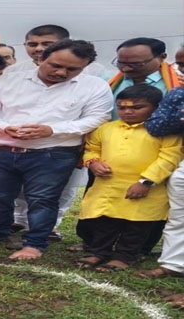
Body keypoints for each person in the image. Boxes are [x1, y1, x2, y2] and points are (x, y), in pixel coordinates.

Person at [0, 39, 114, 260]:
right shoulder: (8, 81)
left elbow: (97, 118)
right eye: (55, 65)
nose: (61, 72)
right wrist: (5, 127)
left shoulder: (94, 86)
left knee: (43, 199)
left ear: (85, 67)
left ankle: (35, 243)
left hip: (53, 153)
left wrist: (51, 130)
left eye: (72, 69)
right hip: (1, 150)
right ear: (41, 58)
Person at [73, 37, 181, 252]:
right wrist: (93, 157)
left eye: (135, 64)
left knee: (148, 203)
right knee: (100, 198)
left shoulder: (175, 86)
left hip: (154, 153)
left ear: (161, 58)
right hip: (109, 150)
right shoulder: (110, 81)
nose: (126, 68)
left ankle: (137, 248)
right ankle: (93, 243)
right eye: (121, 62)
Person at [75, 85, 182, 272]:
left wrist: (145, 182)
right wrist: (93, 162)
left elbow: (169, 157)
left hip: (146, 188)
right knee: (104, 222)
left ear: (157, 107)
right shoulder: (106, 128)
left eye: (137, 107)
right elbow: (92, 148)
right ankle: (99, 252)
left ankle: (125, 256)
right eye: (122, 107)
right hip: (108, 186)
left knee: (137, 225)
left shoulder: (163, 132)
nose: (128, 112)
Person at [136, 84, 184, 309]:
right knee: (178, 217)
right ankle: (173, 263)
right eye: (182, 65)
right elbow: (156, 125)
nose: (182, 70)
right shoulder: (178, 93)